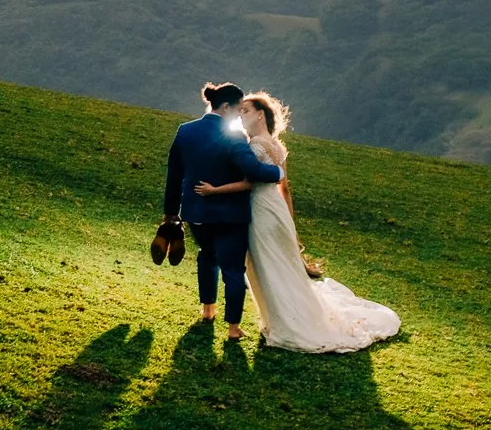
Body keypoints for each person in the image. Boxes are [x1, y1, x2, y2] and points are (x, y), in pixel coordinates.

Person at [193, 91, 399, 353]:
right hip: (277, 210)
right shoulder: (278, 147)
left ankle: (285, 322)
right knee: (282, 264)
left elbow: (248, 184)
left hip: (260, 211)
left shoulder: (254, 146)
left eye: (246, 110)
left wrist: (214, 190)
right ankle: (288, 315)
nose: (241, 115)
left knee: (267, 265)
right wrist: (290, 223)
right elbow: (285, 188)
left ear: (260, 114)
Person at [156, 82, 285, 341]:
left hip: (196, 212)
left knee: (207, 256)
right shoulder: (234, 137)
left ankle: (208, 311)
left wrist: (171, 213)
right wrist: (279, 171)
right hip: (230, 215)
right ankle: (233, 328)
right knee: (233, 269)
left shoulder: (185, 131)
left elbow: (174, 176)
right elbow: (253, 170)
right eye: (237, 110)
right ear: (226, 107)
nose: (239, 116)